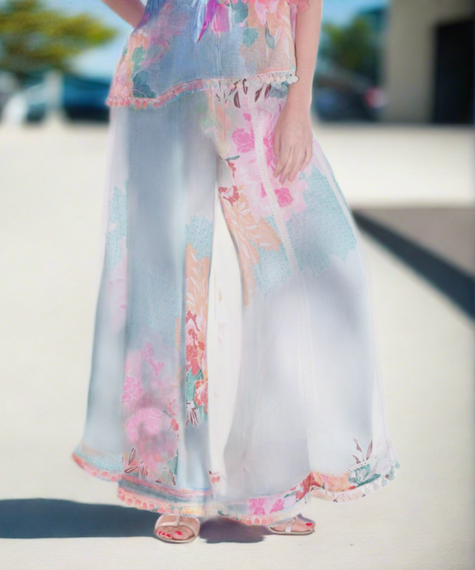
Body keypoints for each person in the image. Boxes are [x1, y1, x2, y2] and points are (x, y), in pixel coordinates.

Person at [72, 0, 401, 543]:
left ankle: (272, 480)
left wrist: (300, 103)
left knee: (302, 272)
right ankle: (178, 487)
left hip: (264, 89)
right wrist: (161, 24)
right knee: (173, 282)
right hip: (167, 86)